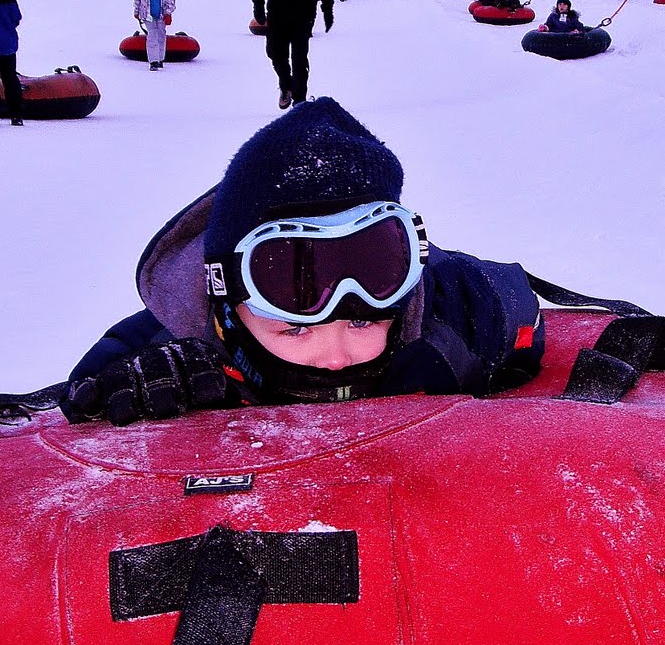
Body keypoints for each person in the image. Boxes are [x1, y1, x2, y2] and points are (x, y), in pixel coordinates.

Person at [62, 98, 545, 422]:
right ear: (228, 304)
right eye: (295, 329)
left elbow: (515, 304)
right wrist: (135, 391)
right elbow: (90, 388)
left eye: (361, 325)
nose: (335, 358)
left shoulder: (450, 318)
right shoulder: (182, 338)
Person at [134, 0, 177, 71]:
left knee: (161, 36)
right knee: (152, 36)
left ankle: (160, 58)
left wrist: (168, 13)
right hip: (148, 13)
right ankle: (153, 61)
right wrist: (136, 11)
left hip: (162, 14)